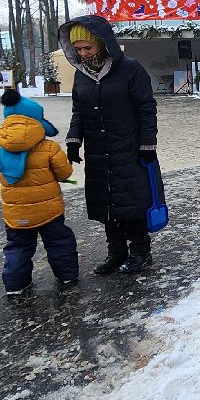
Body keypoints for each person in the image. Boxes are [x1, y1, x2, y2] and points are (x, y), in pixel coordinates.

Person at [58, 16, 159, 275]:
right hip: (98, 150)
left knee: (131, 201)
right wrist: (73, 140)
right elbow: (78, 111)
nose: (83, 53)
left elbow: (146, 108)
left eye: (87, 48)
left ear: (102, 44)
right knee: (107, 203)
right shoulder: (82, 76)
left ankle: (140, 252)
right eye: (78, 49)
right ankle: (116, 252)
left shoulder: (130, 69)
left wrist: (148, 142)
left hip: (129, 147)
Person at [0, 86, 78, 300]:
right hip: (49, 211)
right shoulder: (49, 147)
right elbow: (65, 172)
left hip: (16, 214)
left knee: (17, 248)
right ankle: (67, 276)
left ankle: (15, 285)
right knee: (59, 243)